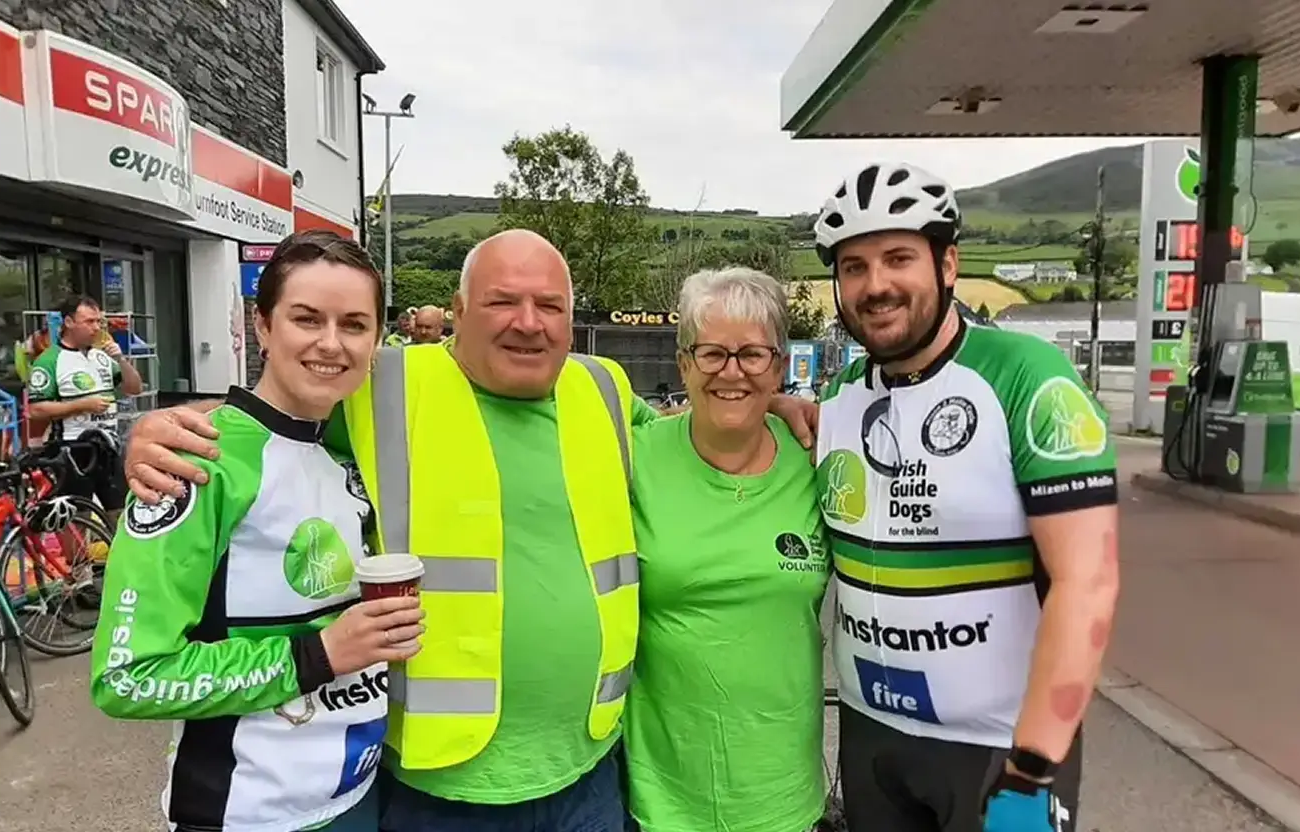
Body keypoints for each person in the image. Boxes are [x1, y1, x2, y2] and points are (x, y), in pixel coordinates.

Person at [120, 229, 820, 832]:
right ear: (456, 312)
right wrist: (163, 428)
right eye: (501, 302)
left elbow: (710, 419)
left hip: (591, 773)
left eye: (549, 306)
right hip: (441, 787)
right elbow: (283, 407)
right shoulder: (381, 384)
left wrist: (779, 401)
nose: (528, 322)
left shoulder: (604, 392)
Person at [811, 162, 1120, 832]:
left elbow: (1088, 581)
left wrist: (1034, 765)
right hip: (872, 742)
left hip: (998, 749)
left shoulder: (1027, 377)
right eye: (854, 267)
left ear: (948, 264)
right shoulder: (837, 400)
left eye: (898, 258)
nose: (875, 285)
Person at [90, 230, 426, 832]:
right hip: (247, 815)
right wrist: (318, 655)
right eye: (306, 319)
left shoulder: (363, 442)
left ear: (378, 338)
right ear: (263, 325)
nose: (331, 344)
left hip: (361, 801)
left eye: (354, 324)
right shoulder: (196, 459)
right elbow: (127, 678)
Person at [624, 268, 829, 832]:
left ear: (780, 367)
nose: (731, 372)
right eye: (712, 353)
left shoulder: (821, 460)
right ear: (684, 363)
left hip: (784, 795)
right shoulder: (632, 458)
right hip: (659, 797)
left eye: (753, 355)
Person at [27, 295, 144, 519]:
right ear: (69, 322)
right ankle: (79, 556)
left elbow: (135, 388)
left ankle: (117, 553)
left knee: (121, 512)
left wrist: (121, 360)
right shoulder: (50, 360)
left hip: (108, 447)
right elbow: (36, 410)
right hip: (72, 448)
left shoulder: (102, 356)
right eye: (89, 322)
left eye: (99, 322)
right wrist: (81, 405)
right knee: (75, 515)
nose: (96, 328)